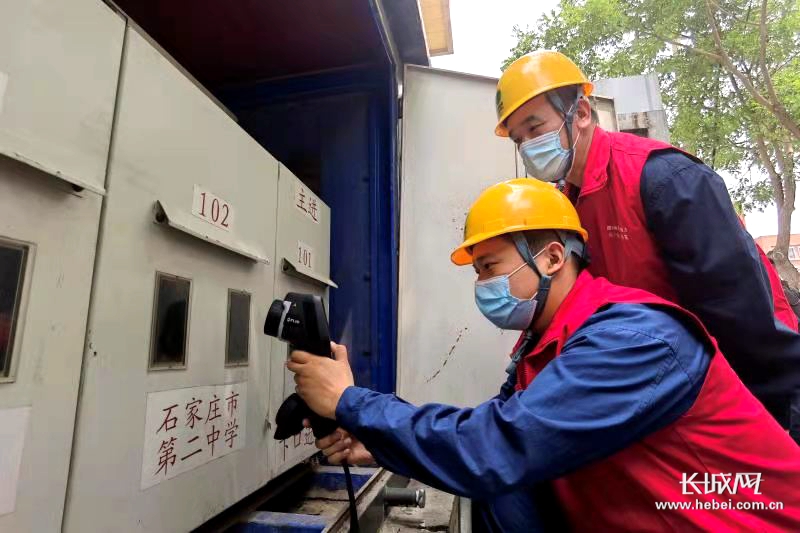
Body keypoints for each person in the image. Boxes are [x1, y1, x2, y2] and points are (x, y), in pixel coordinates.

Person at [288, 179, 800, 532]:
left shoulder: (632, 339)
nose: (482, 285)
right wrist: (379, 442)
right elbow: (491, 432)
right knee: (503, 494)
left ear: (553, 257)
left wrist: (350, 401)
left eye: (490, 267)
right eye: (478, 273)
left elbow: (496, 448)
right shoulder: (546, 344)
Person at [495, 50, 800, 438]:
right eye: (519, 139)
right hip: (667, 393)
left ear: (581, 113)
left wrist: (767, 428)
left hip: (747, 391)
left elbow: (743, 320)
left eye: (535, 127)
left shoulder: (664, 179)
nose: (528, 146)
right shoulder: (565, 206)